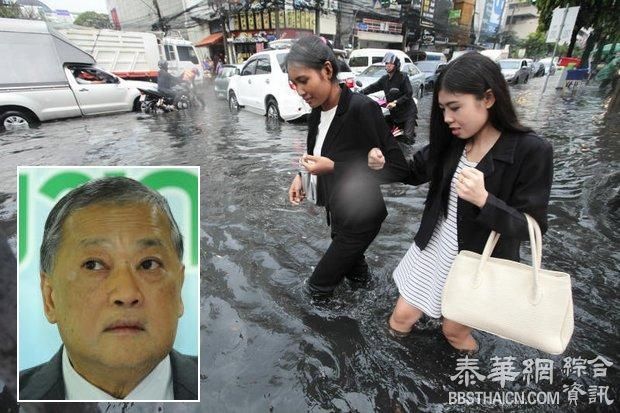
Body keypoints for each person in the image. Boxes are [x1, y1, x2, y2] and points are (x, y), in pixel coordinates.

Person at [367, 52, 553, 351]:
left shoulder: (532, 150)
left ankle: (468, 384)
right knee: (401, 318)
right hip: (435, 246)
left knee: (453, 331)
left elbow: (531, 227)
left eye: (455, 107)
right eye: (442, 109)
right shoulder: (454, 140)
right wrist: (379, 165)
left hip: (478, 260)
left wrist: (485, 200)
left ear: (488, 98)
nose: (447, 118)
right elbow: (413, 172)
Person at [19, 177, 198, 400]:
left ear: (179, 289)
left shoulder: (242, 392)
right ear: (50, 297)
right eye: (93, 265)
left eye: (148, 264)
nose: (126, 294)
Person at [287, 35, 408, 297]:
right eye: (294, 83)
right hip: (338, 213)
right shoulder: (316, 111)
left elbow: (398, 168)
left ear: (327, 70)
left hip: (362, 217)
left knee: (317, 287)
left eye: (303, 80)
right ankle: (376, 298)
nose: (299, 90)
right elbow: (314, 154)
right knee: (355, 274)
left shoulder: (362, 109)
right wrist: (301, 176)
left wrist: (334, 168)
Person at [361, 51, 418, 145]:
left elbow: (409, 93)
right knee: (381, 131)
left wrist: (396, 102)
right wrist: (359, 93)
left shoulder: (403, 77)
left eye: (390, 63)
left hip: (408, 113)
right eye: (386, 63)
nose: (387, 65)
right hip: (395, 114)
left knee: (408, 139)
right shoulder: (384, 79)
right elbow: (372, 87)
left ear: (396, 65)